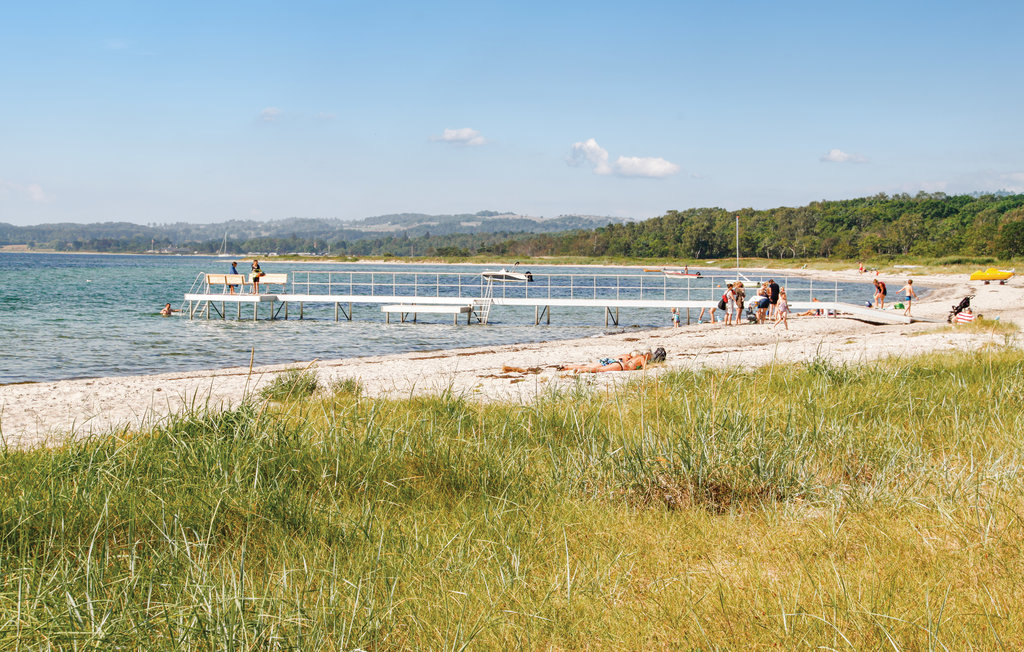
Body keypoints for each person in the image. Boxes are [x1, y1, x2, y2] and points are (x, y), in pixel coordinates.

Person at [560, 348, 665, 373]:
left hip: (616, 362)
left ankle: (567, 367)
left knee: (591, 367)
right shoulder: (642, 359)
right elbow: (645, 370)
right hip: (620, 366)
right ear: (648, 355)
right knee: (598, 370)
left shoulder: (634, 357)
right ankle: (579, 371)